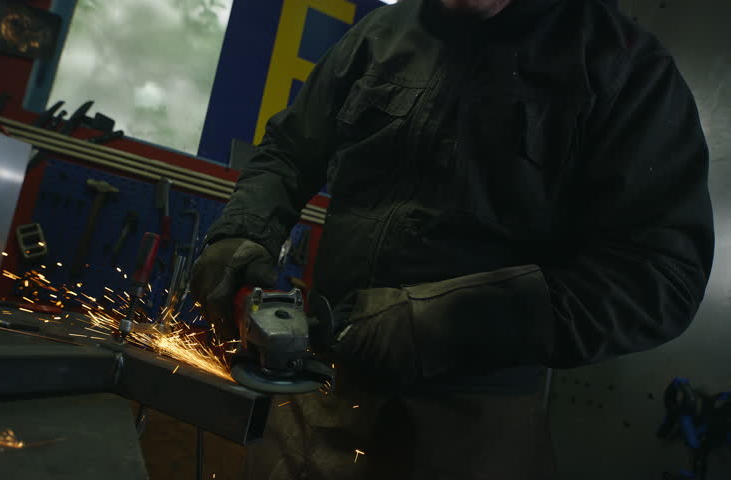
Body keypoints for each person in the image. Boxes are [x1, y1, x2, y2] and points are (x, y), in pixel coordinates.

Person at [190, 0, 715, 478]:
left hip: (470, 427)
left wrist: (442, 321)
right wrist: (243, 232)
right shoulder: (382, 34)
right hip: (316, 390)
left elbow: (662, 276)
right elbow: (288, 152)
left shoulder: (621, 67)